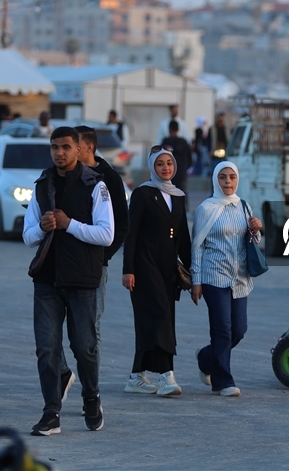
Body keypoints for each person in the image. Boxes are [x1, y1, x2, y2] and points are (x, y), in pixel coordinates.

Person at [23, 127, 114, 436]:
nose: (59, 153)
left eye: (65, 147)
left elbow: (107, 233)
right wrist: (43, 227)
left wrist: (69, 224)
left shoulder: (95, 185)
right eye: (54, 147)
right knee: (46, 348)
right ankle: (51, 412)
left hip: (82, 279)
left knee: (85, 347)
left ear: (78, 149)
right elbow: (28, 236)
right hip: (47, 280)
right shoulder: (42, 185)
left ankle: (91, 397)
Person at [53, 126, 131, 397]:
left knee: (88, 330)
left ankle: (91, 391)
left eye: (74, 145)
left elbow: (121, 225)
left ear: (87, 148)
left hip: (93, 266)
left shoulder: (108, 179)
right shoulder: (58, 175)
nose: (67, 151)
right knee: (50, 327)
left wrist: (102, 257)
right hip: (60, 263)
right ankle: (63, 373)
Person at [122, 148, 191, 397]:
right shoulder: (143, 193)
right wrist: (128, 270)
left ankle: (136, 377)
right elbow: (131, 234)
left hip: (167, 268)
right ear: (152, 167)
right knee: (161, 315)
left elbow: (183, 236)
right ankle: (165, 375)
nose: (165, 168)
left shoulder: (178, 196)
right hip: (144, 266)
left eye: (169, 163)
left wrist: (193, 273)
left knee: (153, 321)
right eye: (160, 164)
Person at [190, 161, 262, 397]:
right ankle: (222, 381)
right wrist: (196, 280)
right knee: (222, 329)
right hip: (214, 276)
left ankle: (206, 357)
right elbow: (197, 246)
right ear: (215, 180)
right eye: (222, 177)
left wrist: (256, 229)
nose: (228, 182)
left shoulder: (244, 206)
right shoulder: (206, 208)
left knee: (238, 330)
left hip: (239, 278)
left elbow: (253, 241)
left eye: (232, 177)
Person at [161, 121, 192, 195]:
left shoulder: (166, 142)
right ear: (178, 129)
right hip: (181, 173)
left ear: (169, 129)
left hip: (168, 173)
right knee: (181, 193)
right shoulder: (184, 143)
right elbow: (190, 159)